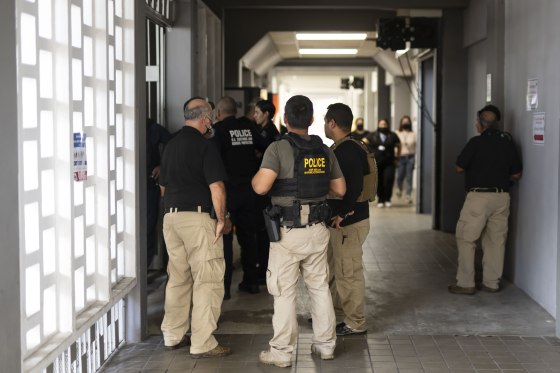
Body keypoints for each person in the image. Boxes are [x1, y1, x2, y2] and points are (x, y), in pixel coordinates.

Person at [252, 95, 346, 367]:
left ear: (284, 119)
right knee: (319, 288)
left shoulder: (277, 148)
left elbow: (260, 187)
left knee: (284, 292)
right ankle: (326, 346)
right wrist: (313, 193)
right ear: (312, 120)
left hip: (288, 232)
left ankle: (281, 353)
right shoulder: (324, 150)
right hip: (318, 229)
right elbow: (340, 189)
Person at [158, 97, 231, 358]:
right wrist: (221, 219)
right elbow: (217, 187)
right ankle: (202, 342)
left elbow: (163, 187)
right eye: (209, 116)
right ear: (205, 118)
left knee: (178, 277)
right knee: (208, 279)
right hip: (198, 220)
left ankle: (172, 334)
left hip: (171, 217)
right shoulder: (205, 145)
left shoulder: (171, 145)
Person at [448, 104, 522, 295]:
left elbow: (459, 168)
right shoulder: (507, 143)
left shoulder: (475, 143)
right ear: (496, 124)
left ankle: (466, 283)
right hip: (502, 198)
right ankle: (491, 283)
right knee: (495, 241)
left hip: (478, 198)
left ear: (480, 124)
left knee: (466, 238)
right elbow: (516, 173)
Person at [324, 103, 371, 336]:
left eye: (325, 121)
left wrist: (343, 213)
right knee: (334, 271)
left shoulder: (346, 151)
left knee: (348, 273)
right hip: (341, 222)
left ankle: (355, 322)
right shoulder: (349, 146)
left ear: (332, 123)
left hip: (348, 223)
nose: (324, 125)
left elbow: (354, 187)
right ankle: (334, 313)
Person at [213, 95, 267, 297]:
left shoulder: (218, 131)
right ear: (235, 110)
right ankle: (251, 281)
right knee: (248, 237)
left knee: (225, 238)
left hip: (228, 192)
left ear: (218, 113)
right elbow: (266, 147)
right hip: (249, 191)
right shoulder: (249, 128)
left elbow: (214, 161)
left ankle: (225, 288)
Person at [253, 99, 280, 283]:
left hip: (267, 190)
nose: (254, 115)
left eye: (257, 112)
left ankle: (264, 268)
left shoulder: (271, 133)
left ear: (267, 115)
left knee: (264, 231)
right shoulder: (260, 131)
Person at [146, 119, 172, 269]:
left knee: (149, 228)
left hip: (149, 184)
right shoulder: (120, 121)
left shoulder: (152, 128)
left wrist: (163, 165)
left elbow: (173, 144)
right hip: (124, 186)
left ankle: (143, 268)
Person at [366, 119, 401, 207]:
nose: (383, 126)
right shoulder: (373, 135)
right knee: (379, 181)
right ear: (378, 125)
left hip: (389, 162)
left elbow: (399, 145)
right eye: (381, 124)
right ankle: (380, 199)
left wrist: (398, 157)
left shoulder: (392, 135)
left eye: (385, 124)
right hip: (376, 162)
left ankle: (387, 199)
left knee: (389, 180)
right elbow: (363, 142)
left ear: (387, 125)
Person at [395, 115, 416, 204]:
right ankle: (399, 188)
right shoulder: (397, 133)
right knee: (400, 177)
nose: (405, 123)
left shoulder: (413, 133)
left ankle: (408, 195)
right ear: (401, 123)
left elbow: (416, 145)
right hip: (400, 157)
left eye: (407, 121)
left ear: (410, 123)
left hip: (410, 157)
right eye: (404, 121)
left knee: (409, 177)